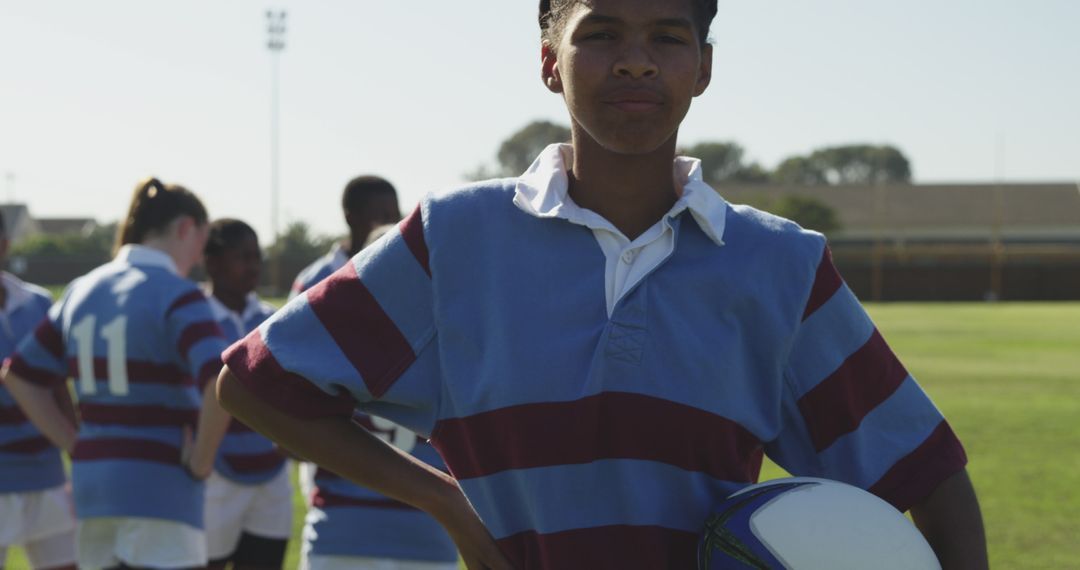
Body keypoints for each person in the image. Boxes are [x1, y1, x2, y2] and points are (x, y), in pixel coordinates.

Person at [217, 1, 989, 568]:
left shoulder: (778, 265)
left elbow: (929, 475)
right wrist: (444, 501)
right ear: (549, 58)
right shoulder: (456, 239)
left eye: (666, 36)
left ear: (704, 67)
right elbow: (257, 384)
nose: (635, 60)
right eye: (602, 32)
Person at [2, 178, 233, 570]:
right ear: (185, 228)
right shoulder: (178, 294)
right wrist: (201, 462)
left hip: (95, 489)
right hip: (163, 491)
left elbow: (19, 376)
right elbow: (223, 381)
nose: (198, 258)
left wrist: (75, 445)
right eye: (201, 241)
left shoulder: (80, 291)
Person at [290, 185, 459, 570]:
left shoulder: (338, 344)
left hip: (342, 527)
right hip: (426, 532)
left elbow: (289, 410)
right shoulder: (449, 341)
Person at [202, 219, 292, 569]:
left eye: (257, 257)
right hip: (214, 479)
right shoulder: (192, 318)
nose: (253, 266)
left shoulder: (275, 319)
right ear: (211, 262)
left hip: (272, 481)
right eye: (242, 257)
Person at [0, 211, 77, 570]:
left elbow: (58, 383)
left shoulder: (39, 303)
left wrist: (78, 446)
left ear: (5, 245)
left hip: (46, 472)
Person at [289, 175, 402, 296]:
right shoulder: (313, 282)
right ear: (352, 219)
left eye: (396, 216)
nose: (392, 224)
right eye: (382, 216)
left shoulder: (405, 271)